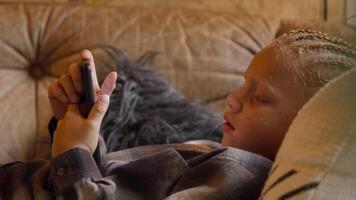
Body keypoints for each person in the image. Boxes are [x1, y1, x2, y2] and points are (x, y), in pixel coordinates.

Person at [0, 29, 355, 199]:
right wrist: (81, 132)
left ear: (307, 124)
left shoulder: (237, 177)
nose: (233, 99)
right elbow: (114, 185)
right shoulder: (217, 154)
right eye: (242, 85)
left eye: (258, 97)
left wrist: (72, 154)